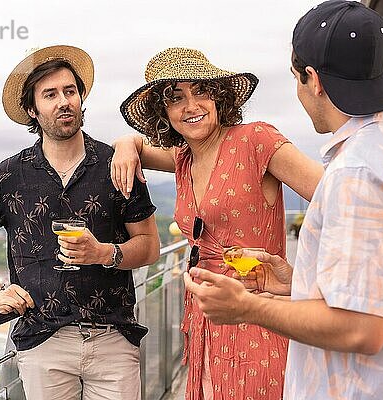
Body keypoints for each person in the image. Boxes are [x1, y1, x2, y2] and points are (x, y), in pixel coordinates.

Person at [184, 1, 383, 399]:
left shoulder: (356, 174)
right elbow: (379, 287)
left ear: (313, 78)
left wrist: (247, 308)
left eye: (297, 77)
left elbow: (362, 327)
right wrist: (299, 283)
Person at [112, 47, 323, 399]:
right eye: (175, 97)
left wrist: (313, 278)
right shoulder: (182, 159)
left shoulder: (256, 140)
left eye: (201, 91)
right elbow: (134, 143)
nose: (191, 106)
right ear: (163, 112)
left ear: (219, 95)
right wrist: (124, 144)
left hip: (258, 313)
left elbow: (338, 198)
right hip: (204, 316)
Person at [0, 45, 160, 400]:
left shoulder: (117, 164)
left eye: (70, 91)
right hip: (42, 342)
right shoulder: (9, 175)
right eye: (50, 95)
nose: (64, 101)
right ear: (33, 109)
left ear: (81, 98)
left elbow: (150, 245)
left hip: (113, 338)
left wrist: (102, 253)